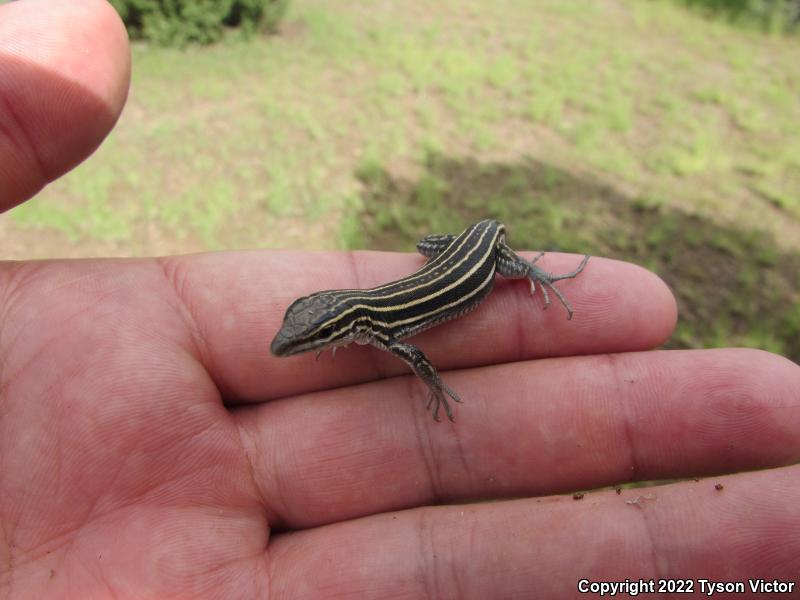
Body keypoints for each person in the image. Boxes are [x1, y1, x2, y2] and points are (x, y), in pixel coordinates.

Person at [1, 1, 798, 598]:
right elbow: (370, 338)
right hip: (454, 253)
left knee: (519, 274)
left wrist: (446, 367)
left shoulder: (385, 325)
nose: (297, 346)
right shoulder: (371, 316)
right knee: (445, 255)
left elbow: (417, 351)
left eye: (305, 338)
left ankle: (542, 272)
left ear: (335, 324)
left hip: (482, 254)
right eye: (304, 336)